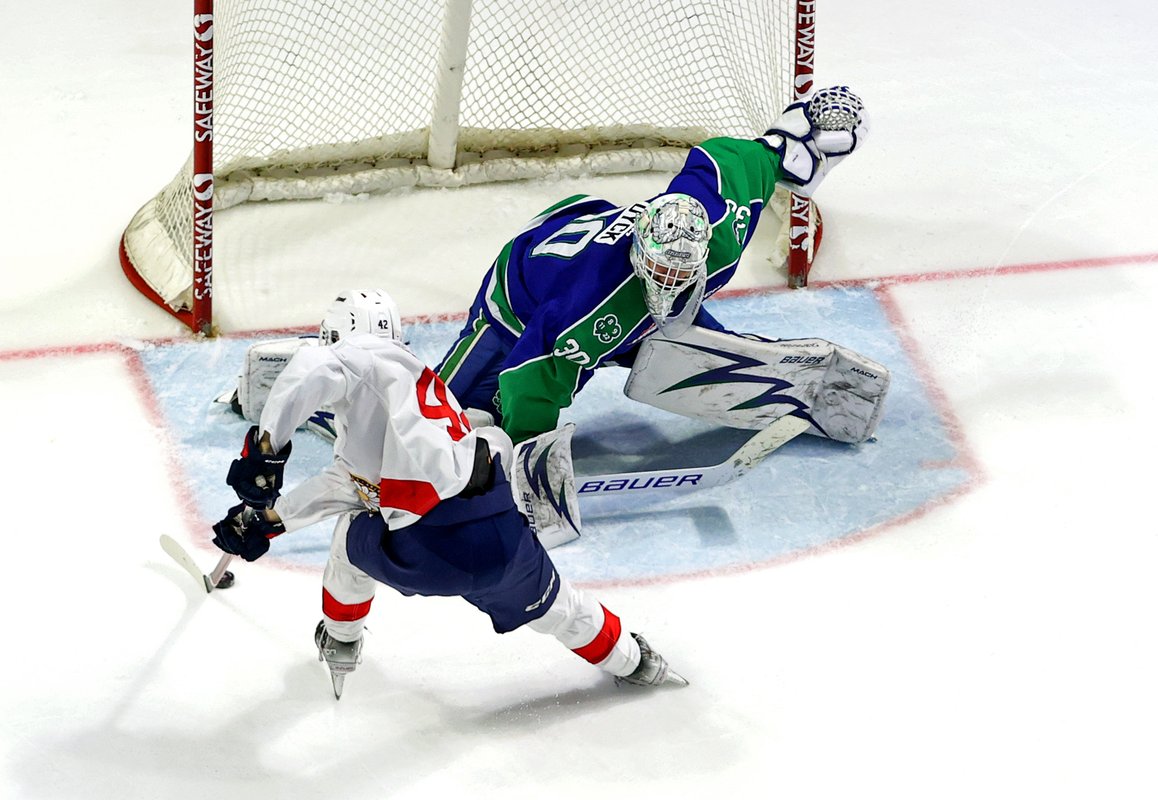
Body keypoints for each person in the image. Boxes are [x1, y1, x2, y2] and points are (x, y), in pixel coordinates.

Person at [210, 289, 686, 699]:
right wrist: (271, 519)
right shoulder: (416, 396)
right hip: (501, 537)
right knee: (562, 609)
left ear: (339, 337)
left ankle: (341, 641)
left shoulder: (365, 359)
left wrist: (265, 452)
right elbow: (353, 483)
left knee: (349, 541)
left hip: (431, 549)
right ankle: (639, 663)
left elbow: (314, 367)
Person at [435, 85, 871, 445]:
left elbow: (728, 160)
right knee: (442, 421)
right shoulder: (590, 306)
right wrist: (525, 449)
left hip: (605, 271)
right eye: (662, 270)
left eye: (682, 272)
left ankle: (739, 363)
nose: (671, 279)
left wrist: (791, 142)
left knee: (677, 335)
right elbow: (528, 381)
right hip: (522, 293)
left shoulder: (718, 234)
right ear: (640, 253)